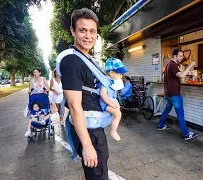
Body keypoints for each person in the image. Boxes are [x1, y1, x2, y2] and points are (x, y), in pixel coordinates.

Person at [59, 8, 110, 180]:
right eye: (82, 30)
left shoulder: (85, 58)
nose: (88, 36)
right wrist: (87, 145)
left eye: (92, 31)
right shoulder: (72, 61)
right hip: (89, 131)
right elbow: (74, 106)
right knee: (98, 175)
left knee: (97, 172)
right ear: (73, 31)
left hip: (93, 126)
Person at [158, 49, 199, 141]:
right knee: (180, 113)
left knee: (167, 109)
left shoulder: (168, 65)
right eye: (180, 56)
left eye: (182, 56)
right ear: (174, 56)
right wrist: (190, 65)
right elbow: (181, 76)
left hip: (168, 93)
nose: (182, 58)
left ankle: (161, 125)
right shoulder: (173, 65)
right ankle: (186, 133)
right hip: (174, 94)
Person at [99, 58, 128, 141]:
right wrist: (110, 103)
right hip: (105, 102)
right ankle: (113, 131)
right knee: (118, 114)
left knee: (117, 113)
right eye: (120, 74)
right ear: (111, 73)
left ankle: (113, 130)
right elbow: (103, 94)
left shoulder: (111, 80)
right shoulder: (105, 81)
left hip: (109, 101)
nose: (121, 76)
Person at [25, 68, 50, 136]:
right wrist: (29, 91)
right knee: (33, 108)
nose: (35, 73)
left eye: (36, 72)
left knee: (44, 108)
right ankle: (29, 129)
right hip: (34, 98)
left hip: (42, 97)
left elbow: (48, 88)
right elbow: (30, 89)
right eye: (34, 72)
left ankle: (42, 119)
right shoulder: (31, 80)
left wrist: (46, 89)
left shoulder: (43, 79)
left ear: (39, 73)